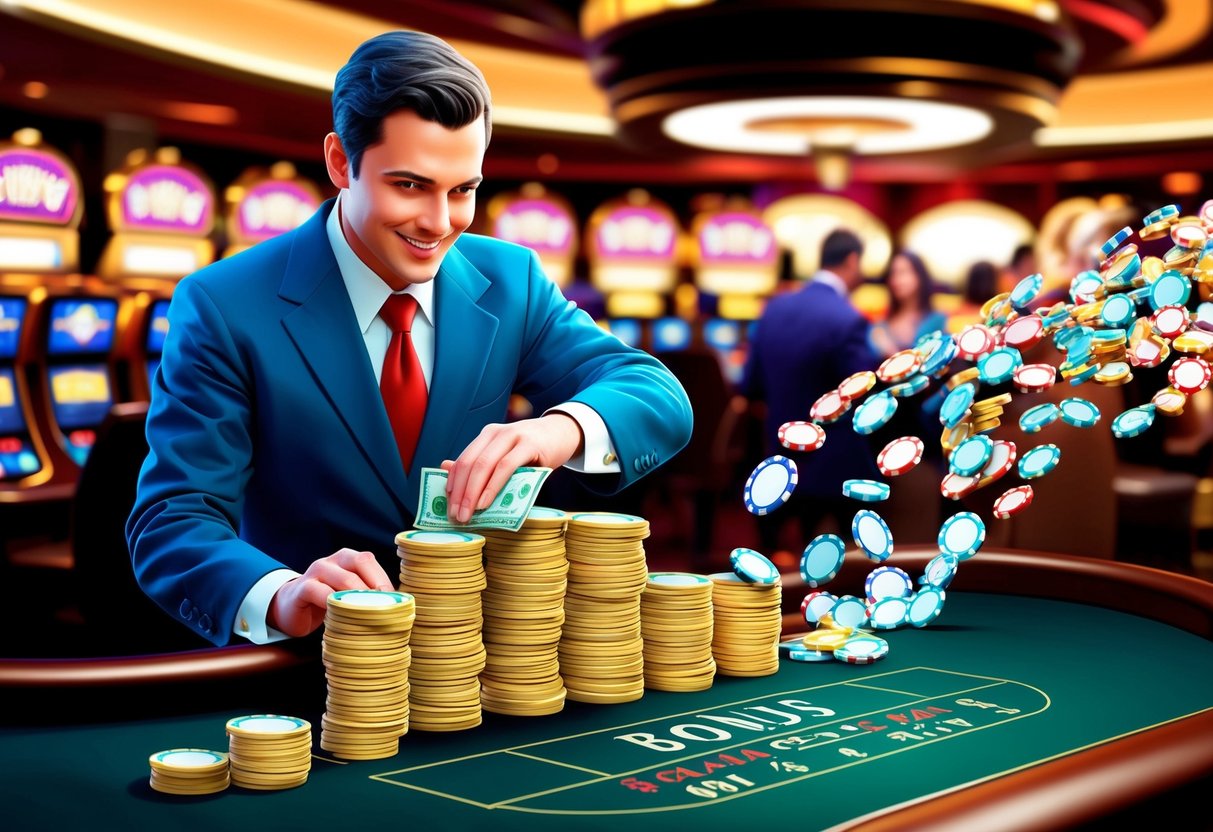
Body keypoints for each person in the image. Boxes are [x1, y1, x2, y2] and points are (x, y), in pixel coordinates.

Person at [126, 31, 693, 647]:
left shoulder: (511, 280)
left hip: (481, 659)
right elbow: (173, 522)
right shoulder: (223, 302)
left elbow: (656, 394)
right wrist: (281, 592)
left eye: (463, 190)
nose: (440, 222)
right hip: (309, 671)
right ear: (341, 162)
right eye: (409, 185)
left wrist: (557, 430)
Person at [740, 227, 880, 557]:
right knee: (858, 563)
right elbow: (866, 397)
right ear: (852, 260)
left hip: (779, 462)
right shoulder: (849, 320)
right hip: (835, 470)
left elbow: (751, 387)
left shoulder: (773, 309)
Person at [868, 249, 946, 358]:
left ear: (920, 276)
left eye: (903, 272)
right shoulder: (881, 325)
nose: (896, 280)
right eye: (893, 273)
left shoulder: (937, 321)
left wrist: (890, 351)